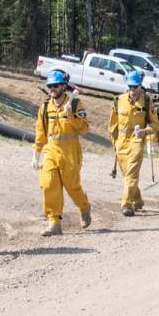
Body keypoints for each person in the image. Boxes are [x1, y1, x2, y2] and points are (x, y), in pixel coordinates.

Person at [34, 69, 92, 236]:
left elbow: (85, 128)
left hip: (70, 152)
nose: (52, 88)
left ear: (64, 86)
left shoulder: (75, 104)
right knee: (48, 184)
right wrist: (36, 154)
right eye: (50, 85)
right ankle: (54, 222)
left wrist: (71, 115)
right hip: (51, 150)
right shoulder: (45, 107)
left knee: (72, 186)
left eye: (56, 85)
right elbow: (40, 132)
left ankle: (84, 207)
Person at [107, 71, 155, 216]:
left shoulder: (147, 101)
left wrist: (145, 131)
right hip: (121, 142)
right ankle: (138, 200)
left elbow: (155, 125)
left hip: (136, 140)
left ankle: (126, 204)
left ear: (140, 85)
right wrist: (114, 143)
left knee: (132, 174)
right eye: (130, 86)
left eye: (135, 86)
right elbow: (112, 125)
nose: (132, 90)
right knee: (127, 174)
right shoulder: (118, 100)